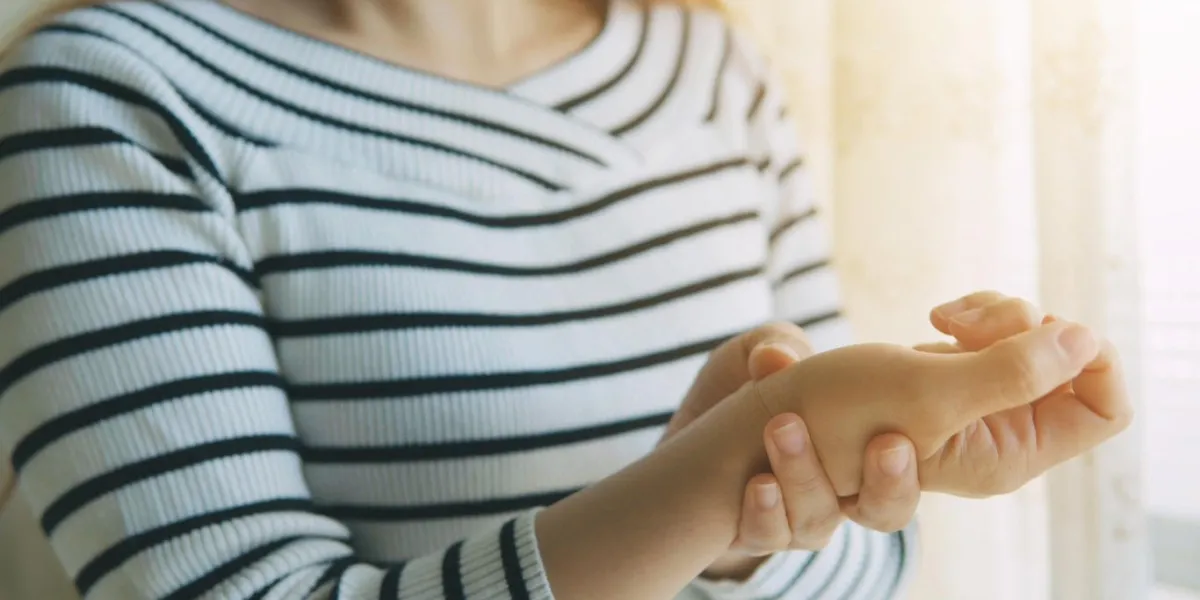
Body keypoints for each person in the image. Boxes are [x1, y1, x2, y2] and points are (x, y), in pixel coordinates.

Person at [0, 0, 1131, 598]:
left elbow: (874, 560)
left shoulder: (708, 68)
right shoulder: (115, 93)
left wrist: (768, 511)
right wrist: (711, 475)